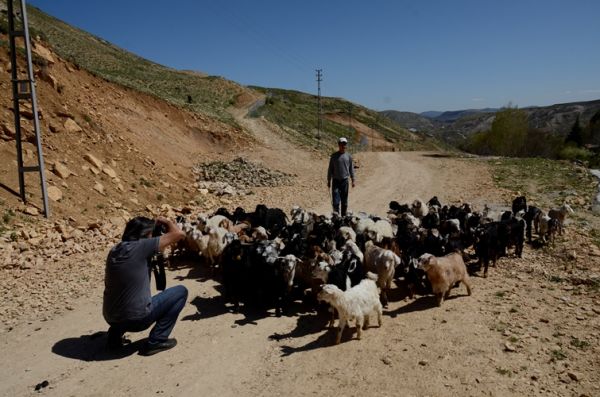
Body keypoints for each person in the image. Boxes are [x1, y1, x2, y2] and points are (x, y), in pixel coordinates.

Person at [103, 216, 187, 356]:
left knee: (125, 298)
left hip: (111, 318)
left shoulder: (115, 250)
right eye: (151, 233)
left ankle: (114, 336)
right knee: (180, 292)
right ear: (146, 235)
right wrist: (166, 222)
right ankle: (156, 341)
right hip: (137, 320)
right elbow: (179, 234)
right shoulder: (142, 247)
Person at [327, 136, 356, 216]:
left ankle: (343, 217)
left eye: (344, 144)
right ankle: (336, 217)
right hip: (336, 181)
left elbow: (351, 169)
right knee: (335, 201)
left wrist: (353, 180)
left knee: (344, 201)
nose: (343, 146)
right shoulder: (334, 156)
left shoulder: (349, 156)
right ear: (338, 145)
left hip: (345, 181)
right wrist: (329, 180)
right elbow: (330, 169)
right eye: (341, 144)